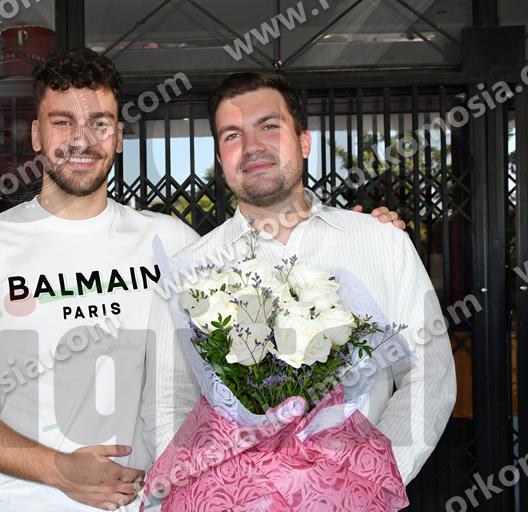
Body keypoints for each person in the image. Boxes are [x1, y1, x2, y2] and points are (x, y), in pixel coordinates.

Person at [0, 49, 406, 511]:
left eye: (99, 123)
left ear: (119, 135)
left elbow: (273, 284)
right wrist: (59, 470)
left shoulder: (173, 242)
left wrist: (360, 233)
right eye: (63, 123)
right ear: (37, 135)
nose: (81, 140)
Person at [159, 71, 457, 489]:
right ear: (221, 157)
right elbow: (169, 401)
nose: (252, 147)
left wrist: (367, 481)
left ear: (303, 141)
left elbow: (429, 374)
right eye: (232, 135)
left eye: (269, 126)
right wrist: (217, 490)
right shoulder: (191, 268)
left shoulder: (381, 242)